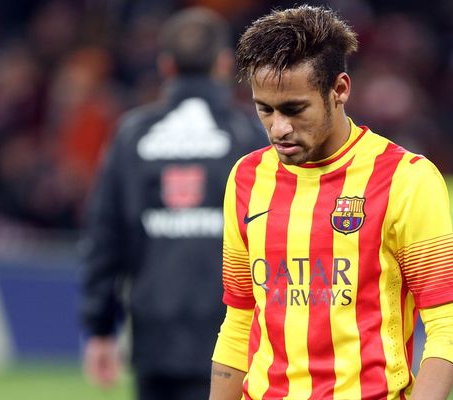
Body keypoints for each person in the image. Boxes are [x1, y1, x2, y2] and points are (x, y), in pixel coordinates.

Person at [210, 5, 453, 400]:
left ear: (340, 90)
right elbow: (240, 318)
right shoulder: (247, 177)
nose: (279, 128)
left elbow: (448, 326)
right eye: (265, 109)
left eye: (295, 109)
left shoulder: (405, 178)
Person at [78, 7, 265, 400]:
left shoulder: (132, 134)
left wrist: (100, 328)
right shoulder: (249, 135)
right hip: (232, 339)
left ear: (166, 65)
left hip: (153, 336)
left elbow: (104, 235)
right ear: (223, 63)